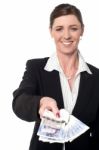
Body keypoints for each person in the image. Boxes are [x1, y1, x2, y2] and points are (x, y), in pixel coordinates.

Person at [12, 3, 99, 150]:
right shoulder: (36, 68)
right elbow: (19, 101)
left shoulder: (97, 77)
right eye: (59, 29)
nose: (66, 35)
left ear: (82, 30)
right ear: (51, 31)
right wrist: (40, 102)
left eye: (73, 28)